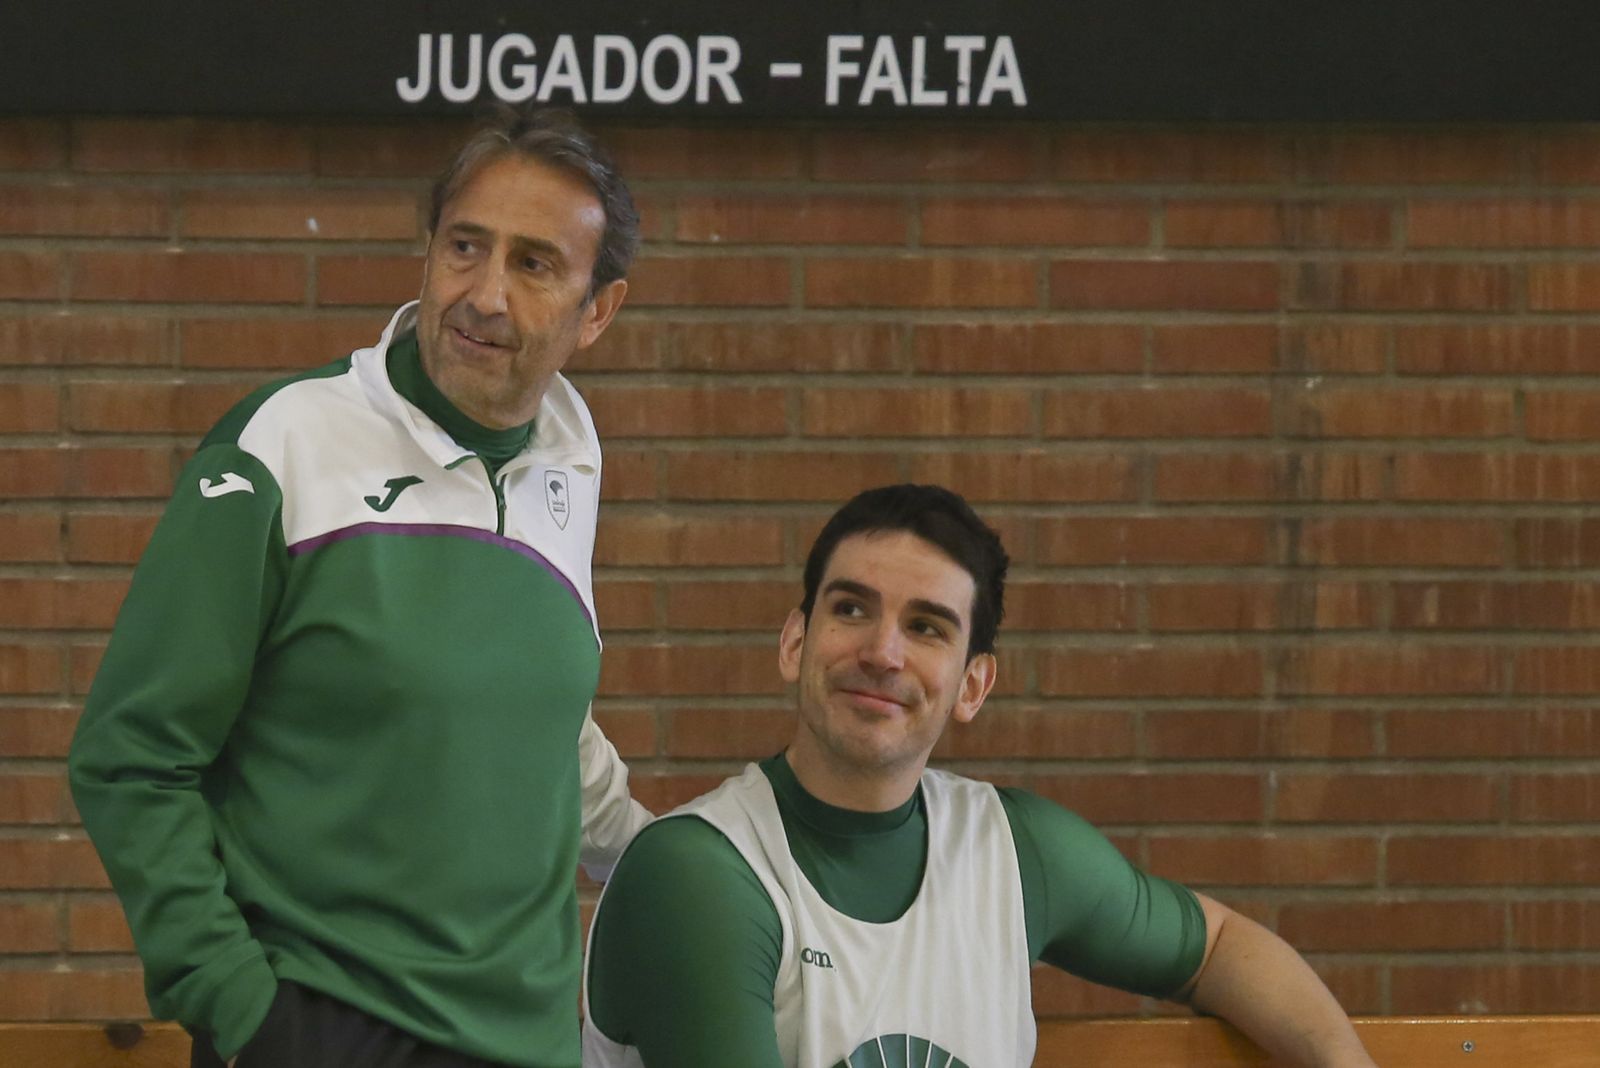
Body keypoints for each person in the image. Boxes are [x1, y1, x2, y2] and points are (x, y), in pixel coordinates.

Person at [68, 106, 651, 1068]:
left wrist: (667, 853)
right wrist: (242, 1008)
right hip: (320, 1034)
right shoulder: (280, 444)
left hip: (532, 1044)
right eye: (466, 246)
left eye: (535, 264)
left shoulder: (569, 459)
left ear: (598, 311)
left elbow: (538, 720)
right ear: (427, 251)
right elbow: (131, 758)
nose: (486, 296)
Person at [583, 484, 1380, 1068]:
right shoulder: (700, 875)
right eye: (852, 610)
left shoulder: (1014, 850)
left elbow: (1219, 950)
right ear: (795, 641)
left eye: (926, 627)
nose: (883, 653)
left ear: (972, 684)